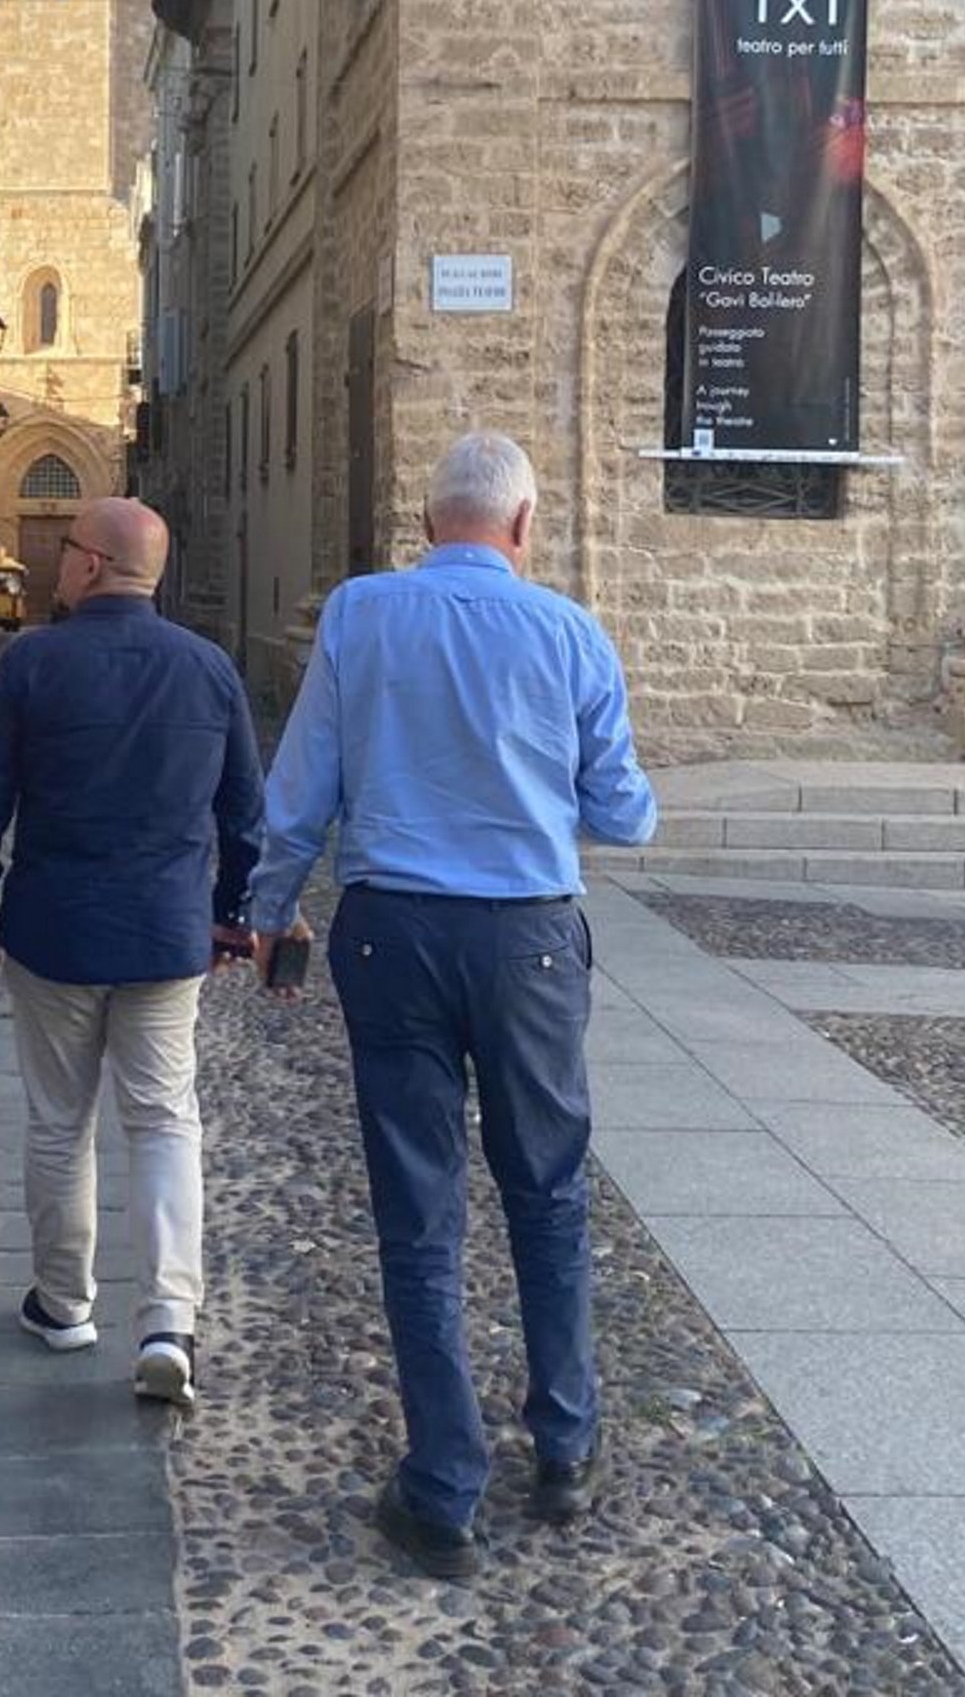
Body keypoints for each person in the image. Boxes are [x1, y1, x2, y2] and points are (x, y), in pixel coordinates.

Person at [252, 431, 656, 1575]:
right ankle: (565, 1444)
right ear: (523, 526)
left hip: (393, 933)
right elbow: (621, 814)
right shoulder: (571, 631)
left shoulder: (361, 614)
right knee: (548, 1189)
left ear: (428, 524)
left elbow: (303, 787)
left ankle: (443, 1486)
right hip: (529, 938)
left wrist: (268, 907)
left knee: (418, 1209)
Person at [0, 496, 263, 1411]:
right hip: (165, 935)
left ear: (87, 564)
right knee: (163, 1121)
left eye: (67, 549)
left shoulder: (32, 662)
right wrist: (232, 915)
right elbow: (244, 813)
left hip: (56, 930)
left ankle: (65, 1301)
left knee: (57, 1120)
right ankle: (166, 1320)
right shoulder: (209, 670)